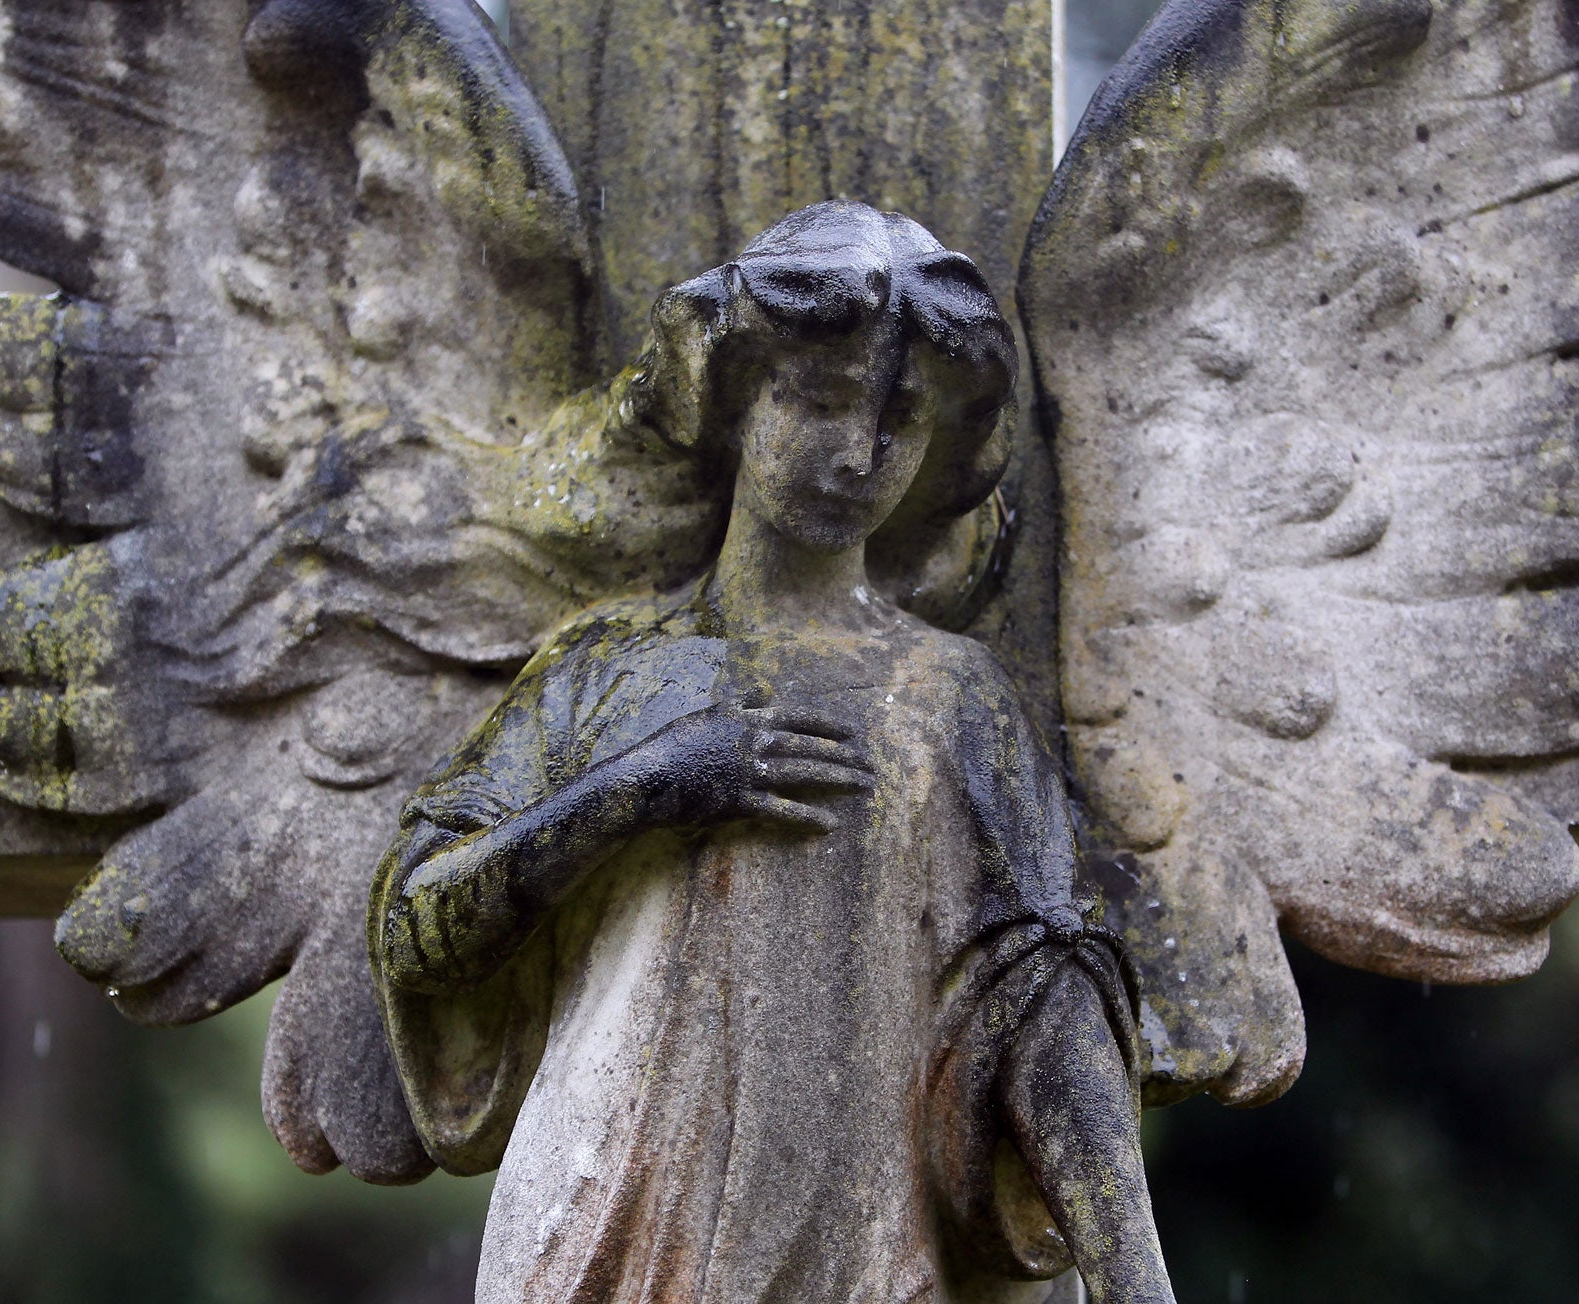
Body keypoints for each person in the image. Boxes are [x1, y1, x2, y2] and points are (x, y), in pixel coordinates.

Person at [369, 201, 1173, 1303]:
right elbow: (416, 931)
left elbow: (1042, 1002)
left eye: (899, 420)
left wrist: (1132, 1273)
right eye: (823, 399)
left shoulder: (950, 697)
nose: (858, 453)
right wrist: (640, 789)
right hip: (612, 1218)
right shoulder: (608, 670)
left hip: (876, 1240)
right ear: (739, 394)